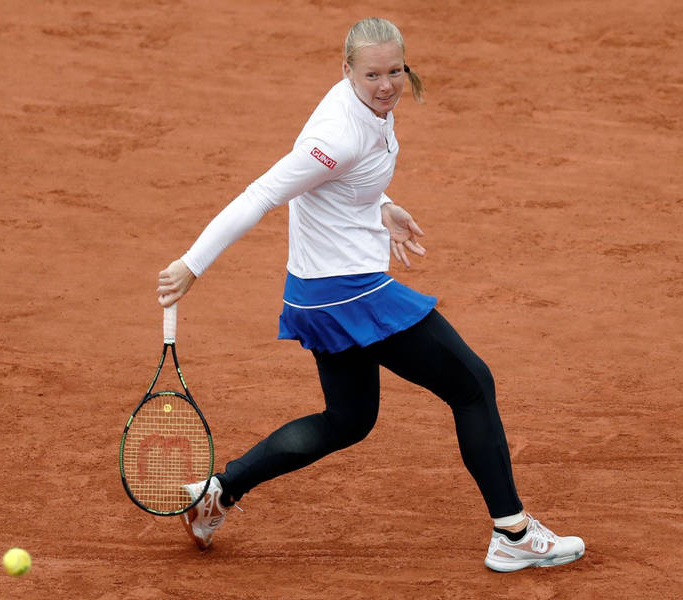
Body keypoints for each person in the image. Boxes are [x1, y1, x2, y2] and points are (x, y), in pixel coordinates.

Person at [155, 17, 585, 572]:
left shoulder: (365, 110)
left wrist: (378, 207)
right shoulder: (334, 137)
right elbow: (261, 195)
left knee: (348, 420)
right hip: (350, 293)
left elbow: (342, 185)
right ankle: (513, 532)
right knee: (473, 386)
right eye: (372, 74)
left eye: (394, 71)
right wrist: (193, 263)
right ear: (347, 71)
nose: (386, 85)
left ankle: (218, 491)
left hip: (317, 294)